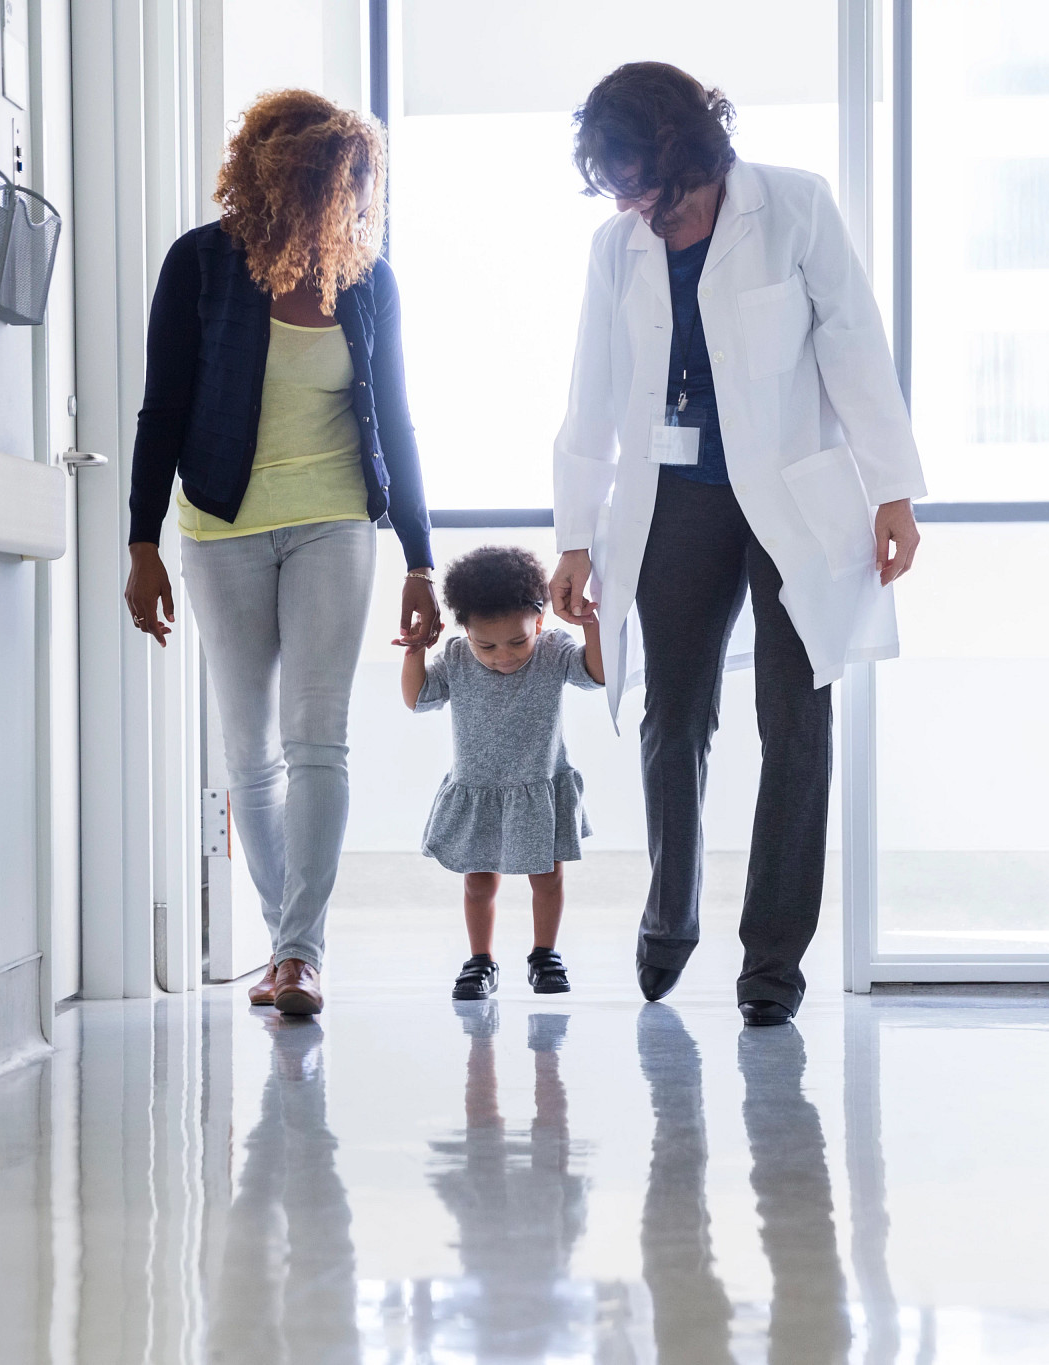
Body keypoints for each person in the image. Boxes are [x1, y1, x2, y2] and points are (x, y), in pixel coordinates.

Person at [548, 63, 926, 1026]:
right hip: (673, 501)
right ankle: (671, 917)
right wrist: (575, 538)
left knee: (795, 725)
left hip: (792, 498)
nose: (632, 204)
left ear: (688, 154)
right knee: (674, 717)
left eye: (641, 183)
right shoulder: (613, 248)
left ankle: (772, 964)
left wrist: (892, 489)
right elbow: (592, 390)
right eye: (616, 186)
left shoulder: (794, 209)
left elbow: (854, 345)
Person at [126, 90, 441, 1017]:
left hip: (336, 520)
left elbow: (396, 422)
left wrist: (420, 560)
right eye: (312, 186)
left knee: (316, 735)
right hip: (221, 525)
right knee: (247, 748)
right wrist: (140, 540)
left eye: (346, 188)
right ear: (266, 180)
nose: (328, 205)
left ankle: (301, 954)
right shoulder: (199, 264)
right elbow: (161, 410)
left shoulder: (369, 279)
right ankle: (281, 941)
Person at [402, 546, 603, 1000]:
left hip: (538, 784)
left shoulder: (554, 652)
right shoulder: (455, 658)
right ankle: (480, 960)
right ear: (465, 632)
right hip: (480, 790)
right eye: (486, 645)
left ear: (540, 623)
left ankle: (544, 954)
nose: (503, 656)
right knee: (478, 882)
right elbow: (418, 698)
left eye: (518, 641)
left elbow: (595, 676)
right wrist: (415, 651)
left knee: (548, 877)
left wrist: (592, 628)